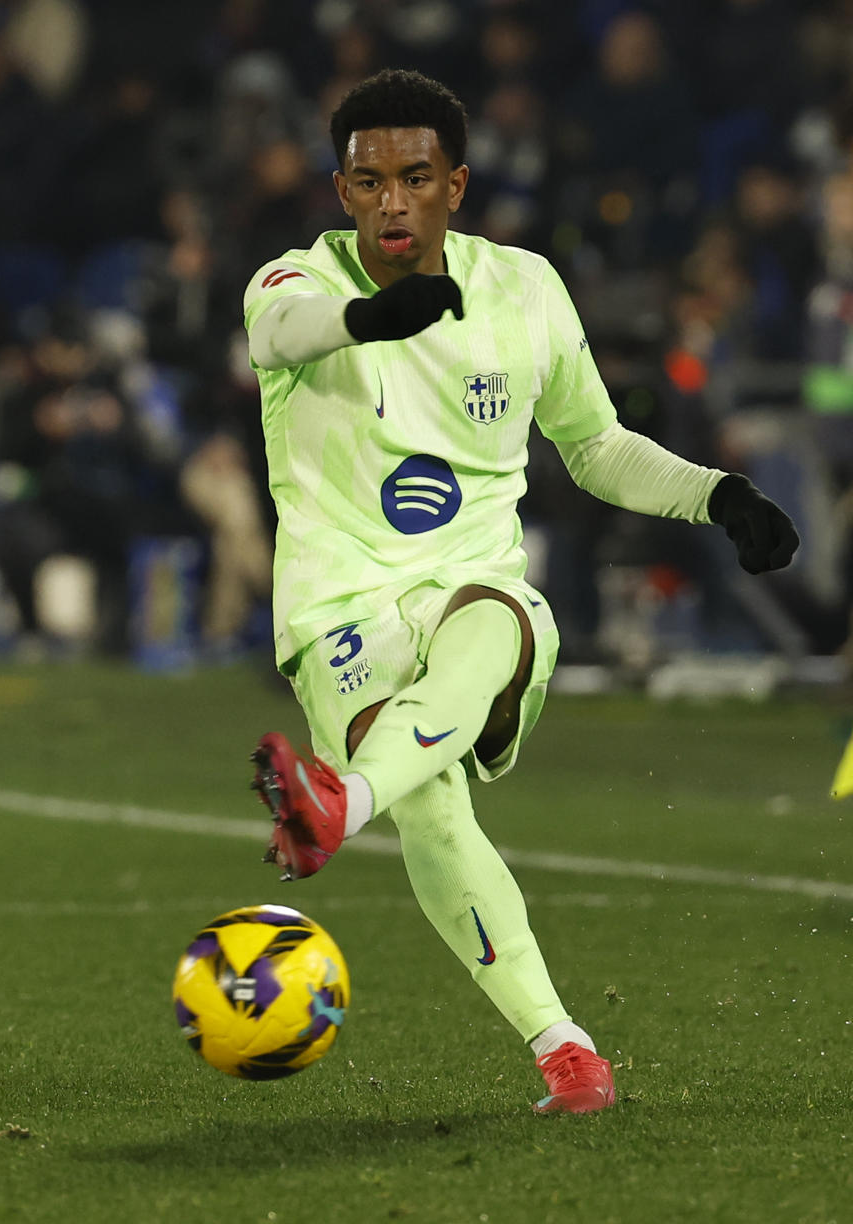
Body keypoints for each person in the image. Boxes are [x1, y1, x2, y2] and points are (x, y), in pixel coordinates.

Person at [240, 70, 798, 1115]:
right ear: (341, 190)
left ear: (456, 185)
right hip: (340, 610)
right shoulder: (293, 280)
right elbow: (280, 334)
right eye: (369, 183)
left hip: (468, 591)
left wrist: (717, 495)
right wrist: (371, 317)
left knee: (498, 614)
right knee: (432, 808)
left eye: (416, 178)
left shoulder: (524, 289)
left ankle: (338, 804)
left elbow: (596, 446)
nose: (393, 202)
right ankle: (567, 1051)